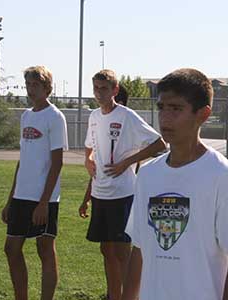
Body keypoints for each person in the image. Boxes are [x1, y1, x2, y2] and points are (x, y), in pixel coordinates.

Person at [122, 68, 228, 300]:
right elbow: (140, 250)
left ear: (203, 114)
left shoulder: (223, 176)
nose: (165, 117)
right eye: (162, 108)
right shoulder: (147, 174)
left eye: (176, 109)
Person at [79, 69, 166, 300]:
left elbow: (159, 144)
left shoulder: (127, 116)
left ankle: (132, 296)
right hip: (100, 193)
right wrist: (88, 161)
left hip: (123, 193)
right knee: (106, 250)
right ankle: (113, 295)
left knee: (122, 251)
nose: (99, 93)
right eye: (96, 88)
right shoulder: (94, 116)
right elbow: (90, 148)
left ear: (115, 90)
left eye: (104, 88)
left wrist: (126, 162)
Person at [2, 66, 68, 300]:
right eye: (28, 84)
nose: (31, 89)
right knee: (11, 248)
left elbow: (57, 163)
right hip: (22, 196)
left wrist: (43, 203)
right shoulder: (26, 116)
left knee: (44, 250)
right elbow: (23, 159)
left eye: (36, 85)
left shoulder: (55, 117)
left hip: (44, 199)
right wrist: (10, 199)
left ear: (47, 88)